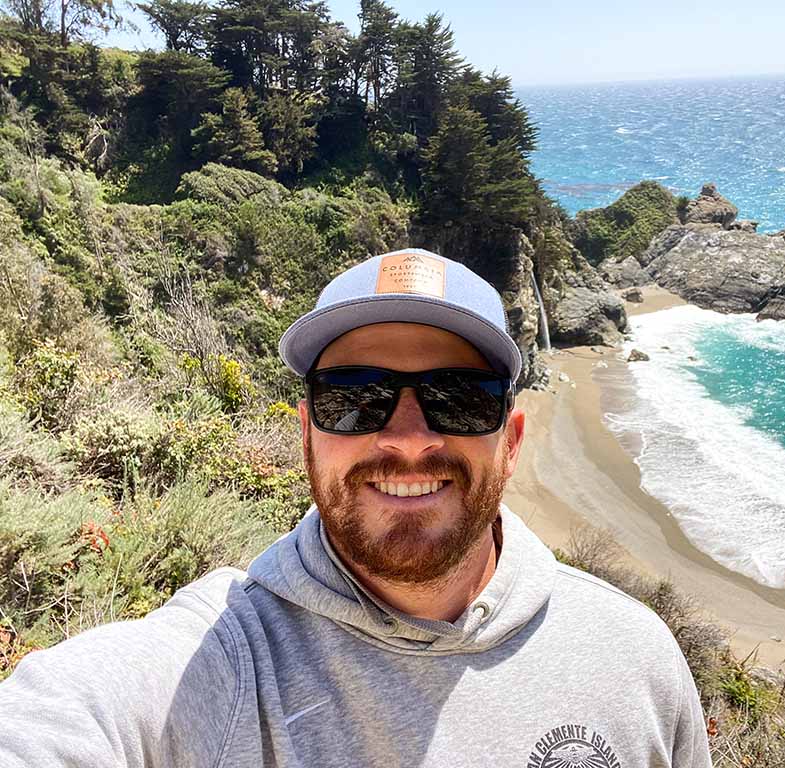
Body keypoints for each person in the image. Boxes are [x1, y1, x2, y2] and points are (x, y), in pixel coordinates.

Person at [0, 248, 712, 768]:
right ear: (308, 433)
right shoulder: (217, 663)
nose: (407, 440)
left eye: (458, 398)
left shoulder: (636, 658)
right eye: (355, 397)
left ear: (512, 440)